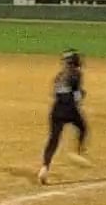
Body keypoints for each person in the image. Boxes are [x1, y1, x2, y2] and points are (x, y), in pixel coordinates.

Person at [38, 51, 92, 185]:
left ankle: (45, 167)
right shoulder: (76, 74)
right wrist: (82, 94)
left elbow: (55, 93)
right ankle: (77, 151)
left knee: (53, 139)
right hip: (70, 109)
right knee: (83, 128)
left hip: (56, 109)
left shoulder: (60, 75)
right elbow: (77, 96)